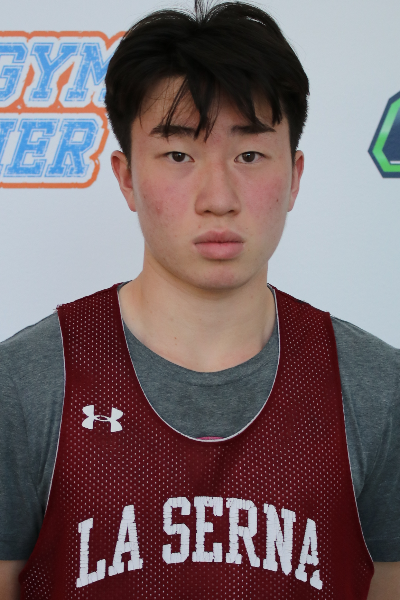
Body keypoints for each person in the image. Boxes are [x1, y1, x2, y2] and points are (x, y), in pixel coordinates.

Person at [0, 1, 399, 598]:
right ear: (126, 176)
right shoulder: (22, 387)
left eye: (249, 156)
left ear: (295, 176)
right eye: (179, 155)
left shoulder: (377, 390)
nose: (218, 197)